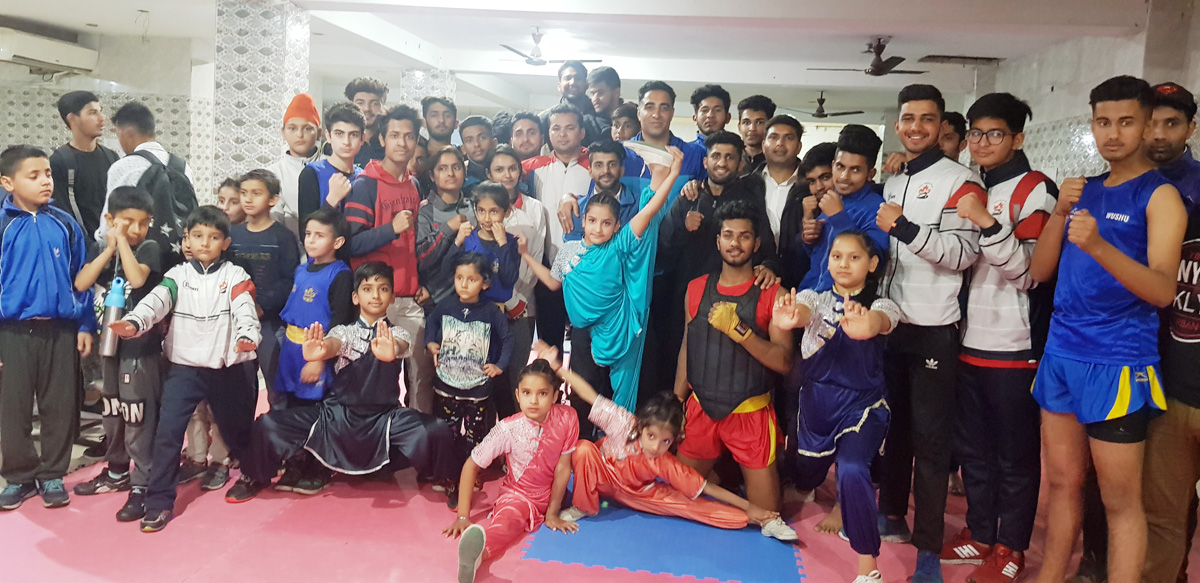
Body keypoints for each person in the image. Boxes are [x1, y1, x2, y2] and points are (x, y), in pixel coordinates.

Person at [1028, 75, 1185, 583]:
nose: (1112, 133)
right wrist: (1060, 211)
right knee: (1061, 485)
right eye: (1102, 122)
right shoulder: (1085, 190)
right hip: (1062, 353)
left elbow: (1163, 290)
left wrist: (1098, 245)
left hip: (1118, 360)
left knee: (1120, 501)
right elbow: (1040, 271)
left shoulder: (1160, 196)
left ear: (1147, 125)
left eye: (1125, 122)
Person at [939, 93, 1055, 583]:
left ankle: (1012, 547)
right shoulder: (972, 185)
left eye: (995, 134)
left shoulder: (1036, 189)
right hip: (969, 340)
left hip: (1016, 343)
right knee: (974, 451)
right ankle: (982, 533)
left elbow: (1028, 274)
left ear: (1017, 138)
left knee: (1015, 456)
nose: (982, 143)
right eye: (975, 133)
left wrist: (986, 221)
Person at [224, 261, 461, 500]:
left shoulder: (397, 334)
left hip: (384, 419)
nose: (375, 295)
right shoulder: (344, 332)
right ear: (355, 298)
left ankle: (450, 480)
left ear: (392, 298)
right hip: (336, 418)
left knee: (436, 429)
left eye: (383, 289)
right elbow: (334, 343)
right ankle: (254, 476)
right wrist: (321, 350)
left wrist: (392, 349)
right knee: (268, 424)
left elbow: (400, 346)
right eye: (367, 289)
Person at [873, 83, 983, 583]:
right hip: (891, 322)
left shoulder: (961, 181)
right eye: (908, 118)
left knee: (932, 443)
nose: (916, 127)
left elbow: (962, 254)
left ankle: (929, 551)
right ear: (898, 124)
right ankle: (891, 514)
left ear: (941, 126)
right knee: (894, 428)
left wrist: (903, 228)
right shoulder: (894, 179)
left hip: (934, 325)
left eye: (927, 119)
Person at [535, 340, 796, 540]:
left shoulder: (663, 461)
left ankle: (763, 521)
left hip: (637, 493)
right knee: (583, 448)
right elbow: (589, 394)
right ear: (641, 426)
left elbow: (706, 488)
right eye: (651, 436)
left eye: (665, 442)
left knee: (691, 507)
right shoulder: (624, 423)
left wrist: (751, 508)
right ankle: (584, 506)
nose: (655, 447)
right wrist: (558, 369)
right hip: (603, 478)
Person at [108, 206, 261, 532]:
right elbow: (155, 302)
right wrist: (135, 322)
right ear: (187, 240)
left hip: (226, 368)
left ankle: (254, 473)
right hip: (184, 369)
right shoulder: (177, 276)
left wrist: (247, 336)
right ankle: (159, 503)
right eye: (198, 236)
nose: (205, 242)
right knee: (168, 435)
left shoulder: (236, 275)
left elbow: (245, 309)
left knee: (236, 431)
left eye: (213, 237)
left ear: (225, 242)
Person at [773, 231, 902, 583]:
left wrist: (867, 325)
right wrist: (789, 317)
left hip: (863, 406)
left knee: (852, 468)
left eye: (854, 257)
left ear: (872, 264)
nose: (843, 264)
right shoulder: (814, 298)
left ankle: (868, 568)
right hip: (817, 404)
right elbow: (800, 312)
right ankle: (807, 487)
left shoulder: (882, 304)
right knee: (806, 471)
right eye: (836, 256)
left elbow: (880, 321)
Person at [521, 146, 683, 413]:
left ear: (617, 226)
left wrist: (673, 174)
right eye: (593, 221)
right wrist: (526, 255)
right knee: (584, 392)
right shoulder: (568, 250)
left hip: (620, 328)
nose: (598, 228)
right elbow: (552, 283)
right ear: (583, 221)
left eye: (606, 223)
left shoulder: (618, 245)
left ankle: (621, 434)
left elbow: (648, 212)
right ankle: (586, 435)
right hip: (585, 332)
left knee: (624, 397)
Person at [673, 201, 794, 522]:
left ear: (756, 243)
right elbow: (688, 346)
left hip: (750, 412)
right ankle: (720, 484)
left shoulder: (775, 294)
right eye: (728, 235)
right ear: (718, 241)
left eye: (744, 236)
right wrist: (675, 402)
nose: (735, 243)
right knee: (676, 497)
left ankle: (727, 488)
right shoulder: (696, 288)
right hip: (701, 408)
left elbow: (784, 362)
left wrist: (740, 330)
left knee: (769, 515)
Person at [0, 145, 95, 512]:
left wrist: (85, 323)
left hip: (61, 330)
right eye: (34, 175)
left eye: (48, 174)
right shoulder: (4, 226)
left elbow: (81, 278)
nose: (45, 181)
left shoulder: (64, 224)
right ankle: (20, 476)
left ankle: (53, 473)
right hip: (12, 333)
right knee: (14, 409)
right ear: (8, 182)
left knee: (60, 406)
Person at [69, 186, 163, 520]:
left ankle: (143, 481)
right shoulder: (101, 248)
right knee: (112, 411)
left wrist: (122, 241)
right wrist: (108, 248)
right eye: (128, 222)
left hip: (140, 349)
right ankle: (116, 470)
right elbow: (81, 283)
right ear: (110, 219)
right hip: (108, 348)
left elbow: (136, 279)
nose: (137, 229)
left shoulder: (150, 247)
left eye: (144, 222)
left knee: (137, 414)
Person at [441, 358, 581, 583]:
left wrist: (552, 513)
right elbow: (471, 464)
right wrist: (463, 516)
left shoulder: (567, 417)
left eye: (542, 394)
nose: (533, 401)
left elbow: (564, 467)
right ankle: (477, 556)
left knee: (586, 454)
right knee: (506, 525)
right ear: (517, 395)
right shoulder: (507, 428)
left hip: (555, 496)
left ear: (555, 396)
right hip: (518, 497)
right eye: (526, 393)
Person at [1142, 81, 1200, 583]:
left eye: (1172, 123)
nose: (1159, 134)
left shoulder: (1195, 189)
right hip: (1158, 371)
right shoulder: (1123, 188)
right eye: (1152, 123)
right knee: (1159, 506)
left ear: (1190, 129)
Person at [345, 104, 435, 414]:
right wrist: (390, 229)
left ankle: (416, 437)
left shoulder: (414, 185)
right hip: (376, 299)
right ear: (382, 140)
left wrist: (421, 280)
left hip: (409, 296)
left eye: (409, 136)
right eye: (394, 135)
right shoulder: (365, 185)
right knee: (375, 381)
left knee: (421, 380)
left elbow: (415, 245)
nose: (402, 142)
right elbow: (351, 244)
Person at [270, 208, 355, 495]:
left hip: (318, 351)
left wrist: (319, 359)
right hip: (291, 349)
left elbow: (340, 323)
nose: (311, 240)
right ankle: (295, 463)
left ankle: (318, 466)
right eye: (308, 234)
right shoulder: (301, 269)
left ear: (338, 242)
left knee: (315, 411)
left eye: (320, 235)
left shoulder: (341, 275)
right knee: (292, 406)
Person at [427, 253, 512, 504]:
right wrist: (430, 343)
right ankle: (450, 476)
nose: (463, 284)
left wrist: (499, 366)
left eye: (471, 279)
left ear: (485, 283)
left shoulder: (491, 312)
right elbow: (431, 324)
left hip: (477, 390)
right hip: (446, 387)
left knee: (475, 435)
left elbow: (508, 339)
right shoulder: (444, 306)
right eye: (459, 278)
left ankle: (471, 473)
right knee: (448, 434)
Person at [523, 102, 592, 351]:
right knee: (549, 342)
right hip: (547, 267)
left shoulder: (595, 166)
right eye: (556, 128)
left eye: (569, 128)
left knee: (585, 344)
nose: (562, 134)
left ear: (582, 132)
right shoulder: (530, 167)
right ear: (548, 133)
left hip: (586, 268)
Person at [230, 169, 301, 411]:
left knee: (276, 388)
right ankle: (243, 435)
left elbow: (289, 280)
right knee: (240, 388)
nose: (248, 199)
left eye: (256, 193)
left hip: (271, 323)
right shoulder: (233, 235)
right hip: (236, 323)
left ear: (273, 199)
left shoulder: (283, 237)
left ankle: (277, 433)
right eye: (244, 193)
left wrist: (261, 306)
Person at [489, 145, 548, 420]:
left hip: (524, 304)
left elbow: (534, 257)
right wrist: (500, 298)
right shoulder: (483, 209)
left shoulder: (534, 208)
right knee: (490, 373)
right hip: (490, 305)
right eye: (499, 169)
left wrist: (515, 300)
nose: (507, 175)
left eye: (512, 168)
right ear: (489, 173)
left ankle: (519, 431)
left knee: (517, 373)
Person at [102, 101, 196, 267]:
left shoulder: (124, 167)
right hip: (179, 262)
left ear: (126, 132)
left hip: (136, 262)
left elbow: (108, 224)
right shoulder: (183, 167)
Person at [799, 126, 888, 292]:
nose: (844, 177)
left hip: (845, 300)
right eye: (840, 167)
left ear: (870, 174)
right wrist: (809, 239)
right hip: (811, 292)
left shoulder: (877, 208)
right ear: (833, 165)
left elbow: (876, 261)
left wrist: (839, 218)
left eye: (855, 170)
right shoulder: (832, 198)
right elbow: (819, 257)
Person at [51, 90, 118, 239]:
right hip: (79, 244)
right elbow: (62, 211)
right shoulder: (60, 161)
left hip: (111, 241)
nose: (102, 118)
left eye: (100, 111)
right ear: (72, 119)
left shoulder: (111, 157)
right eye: (93, 113)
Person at [441, 183, 520, 305]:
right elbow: (446, 272)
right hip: (468, 305)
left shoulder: (511, 242)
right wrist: (458, 241)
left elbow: (509, 280)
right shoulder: (468, 238)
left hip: (498, 307)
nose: (487, 218)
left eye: (494, 211)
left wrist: (502, 243)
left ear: (506, 212)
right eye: (481, 211)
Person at [416, 147, 475, 306]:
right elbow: (421, 259)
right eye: (442, 169)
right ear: (432, 175)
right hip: (437, 300)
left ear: (464, 171)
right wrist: (447, 228)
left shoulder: (475, 207)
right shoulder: (425, 211)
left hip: (475, 299)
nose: (451, 174)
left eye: (456, 167)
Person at [265, 93, 323, 237]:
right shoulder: (272, 173)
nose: (299, 135)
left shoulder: (331, 166)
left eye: (307, 128)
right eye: (292, 128)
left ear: (319, 133)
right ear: (283, 133)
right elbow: (271, 220)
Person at [298, 101, 365, 219]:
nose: (346, 142)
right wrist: (332, 200)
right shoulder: (312, 173)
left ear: (362, 139)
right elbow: (306, 227)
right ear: (328, 136)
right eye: (339, 134)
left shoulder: (364, 177)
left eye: (353, 135)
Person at [544, 60, 607, 146]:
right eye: (567, 78)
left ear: (586, 85)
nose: (572, 82)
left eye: (578, 78)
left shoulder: (601, 113)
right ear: (559, 86)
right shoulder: (546, 118)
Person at [346, 77, 388, 165]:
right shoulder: (340, 143)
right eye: (360, 103)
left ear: (383, 107)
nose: (367, 109)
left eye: (374, 103)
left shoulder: (390, 143)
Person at [737, 95, 777, 177]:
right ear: (739, 127)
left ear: (770, 127)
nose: (752, 128)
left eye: (759, 122)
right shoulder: (731, 158)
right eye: (747, 122)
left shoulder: (778, 160)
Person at [459, 115, 496, 194]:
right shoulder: (461, 180)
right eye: (469, 140)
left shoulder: (508, 173)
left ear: (494, 142)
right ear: (463, 148)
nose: (476, 144)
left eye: (482, 138)